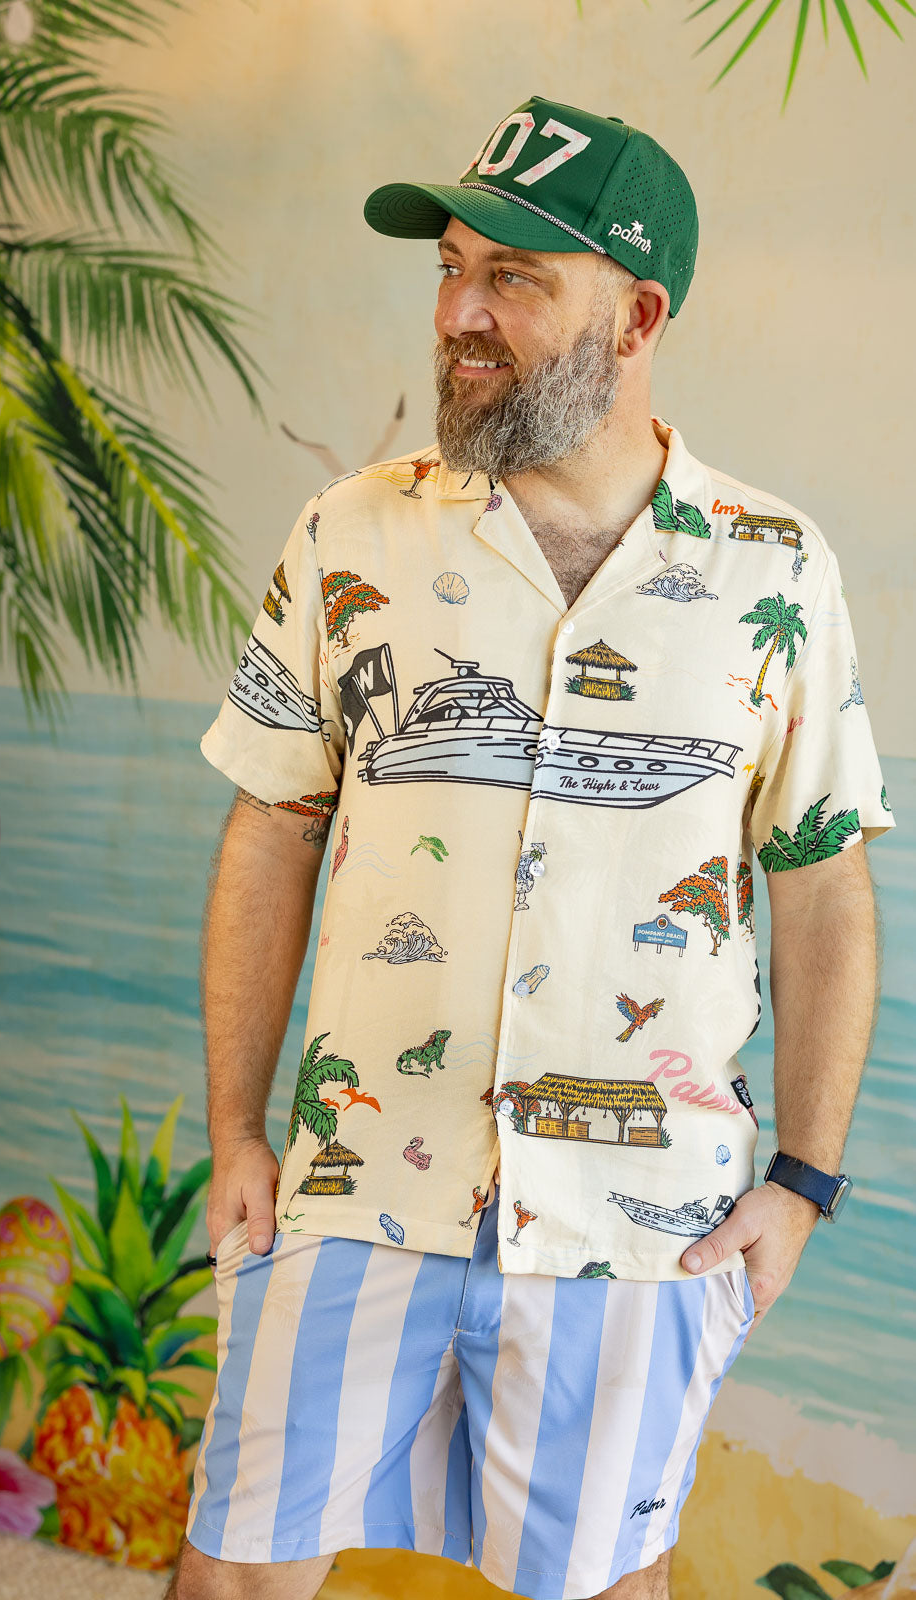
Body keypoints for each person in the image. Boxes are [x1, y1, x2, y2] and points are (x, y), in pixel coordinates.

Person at [166, 97, 894, 1600]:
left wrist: (806, 1180)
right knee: (236, 1569)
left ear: (639, 317)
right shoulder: (349, 536)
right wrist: (238, 1129)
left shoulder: (774, 571)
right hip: (355, 1185)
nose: (458, 313)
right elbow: (271, 830)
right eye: (450, 267)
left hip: (641, 1225)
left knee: (602, 1588)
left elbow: (822, 887)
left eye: (513, 277)